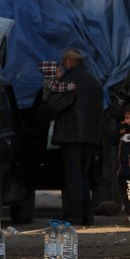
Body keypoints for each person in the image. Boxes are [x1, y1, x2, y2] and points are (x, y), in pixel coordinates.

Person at [38, 48, 104, 226]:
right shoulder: (94, 81)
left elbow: (52, 106)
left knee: (73, 176)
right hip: (90, 136)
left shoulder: (69, 81)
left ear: (68, 61)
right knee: (84, 175)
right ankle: (87, 216)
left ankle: (75, 215)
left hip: (71, 135)